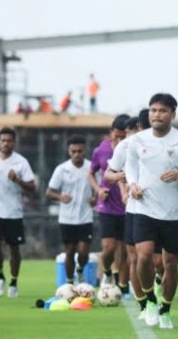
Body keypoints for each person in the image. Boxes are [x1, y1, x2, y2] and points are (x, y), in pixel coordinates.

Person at [125, 93, 178, 329]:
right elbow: (130, 165)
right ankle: (150, 300)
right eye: (153, 110)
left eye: (162, 111)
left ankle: (166, 309)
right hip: (144, 208)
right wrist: (132, 184)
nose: (156, 115)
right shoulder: (138, 140)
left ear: (172, 114)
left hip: (173, 213)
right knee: (143, 255)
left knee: (171, 263)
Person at [104, 111, 150, 317]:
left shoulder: (169, 144)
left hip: (164, 212)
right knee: (135, 256)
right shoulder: (127, 146)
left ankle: (154, 291)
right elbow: (110, 173)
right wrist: (122, 185)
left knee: (159, 262)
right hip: (133, 210)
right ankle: (143, 302)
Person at [0, 127, 36, 298]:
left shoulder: (21, 162)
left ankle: (13, 282)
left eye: (9, 141)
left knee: (14, 250)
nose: (5, 143)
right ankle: (0, 277)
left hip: (13, 212)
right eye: (3, 140)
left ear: (14, 143)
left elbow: (32, 187)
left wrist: (17, 180)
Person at [46, 135, 96, 284]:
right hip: (67, 218)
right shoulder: (62, 169)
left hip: (85, 216)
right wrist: (60, 197)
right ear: (68, 151)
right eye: (73, 151)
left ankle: (80, 270)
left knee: (83, 252)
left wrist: (96, 199)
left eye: (79, 151)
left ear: (85, 151)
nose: (76, 154)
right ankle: (69, 282)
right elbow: (49, 192)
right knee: (69, 251)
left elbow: (100, 188)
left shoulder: (91, 168)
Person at [88, 114, 129, 295]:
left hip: (128, 205)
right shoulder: (101, 151)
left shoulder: (131, 150)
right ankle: (106, 272)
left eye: (123, 136)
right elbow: (90, 173)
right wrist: (98, 189)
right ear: (111, 132)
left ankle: (122, 284)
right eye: (116, 135)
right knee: (109, 247)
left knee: (125, 249)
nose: (119, 139)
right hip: (107, 206)